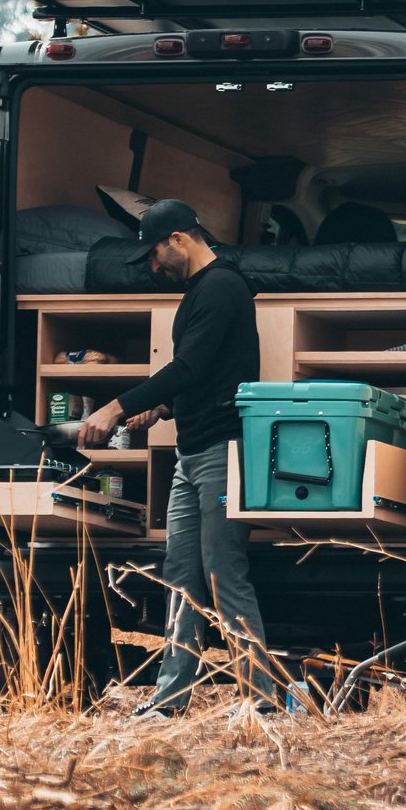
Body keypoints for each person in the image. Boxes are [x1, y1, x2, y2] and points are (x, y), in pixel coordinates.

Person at [76, 199, 292, 714]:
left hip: (222, 451)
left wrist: (117, 405)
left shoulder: (221, 286)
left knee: (222, 572)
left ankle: (260, 701)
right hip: (191, 453)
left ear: (178, 239)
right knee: (180, 575)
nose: (153, 268)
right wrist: (163, 408)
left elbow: (191, 365)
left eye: (154, 255)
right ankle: (170, 698)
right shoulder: (200, 290)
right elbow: (213, 369)